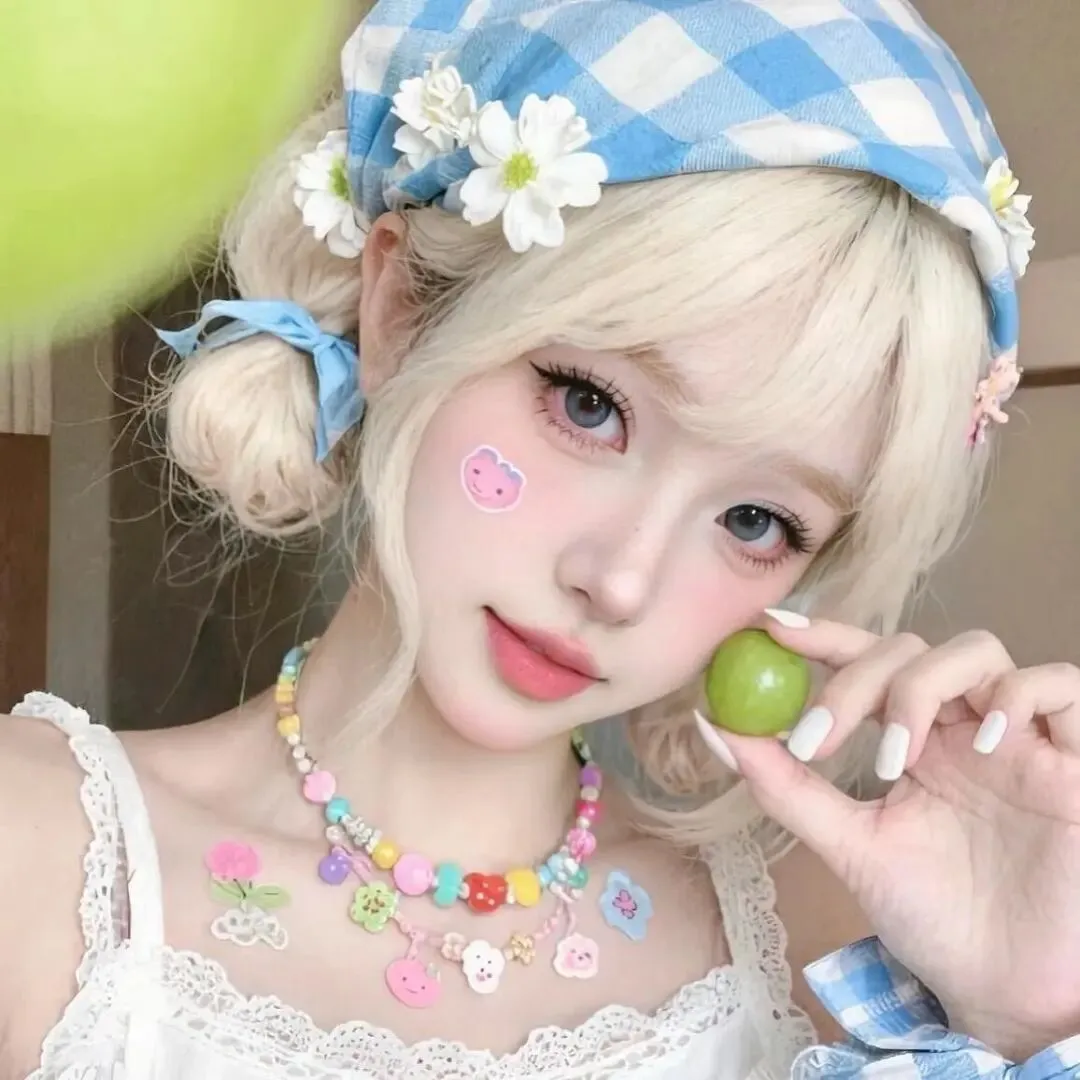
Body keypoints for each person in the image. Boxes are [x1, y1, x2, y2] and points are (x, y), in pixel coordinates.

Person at [2, 1, 1078, 1078]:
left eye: (756, 521)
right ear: (398, 311)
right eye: (588, 405)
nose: (622, 581)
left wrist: (1023, 1018)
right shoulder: (38, 855)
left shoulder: (829, 964)